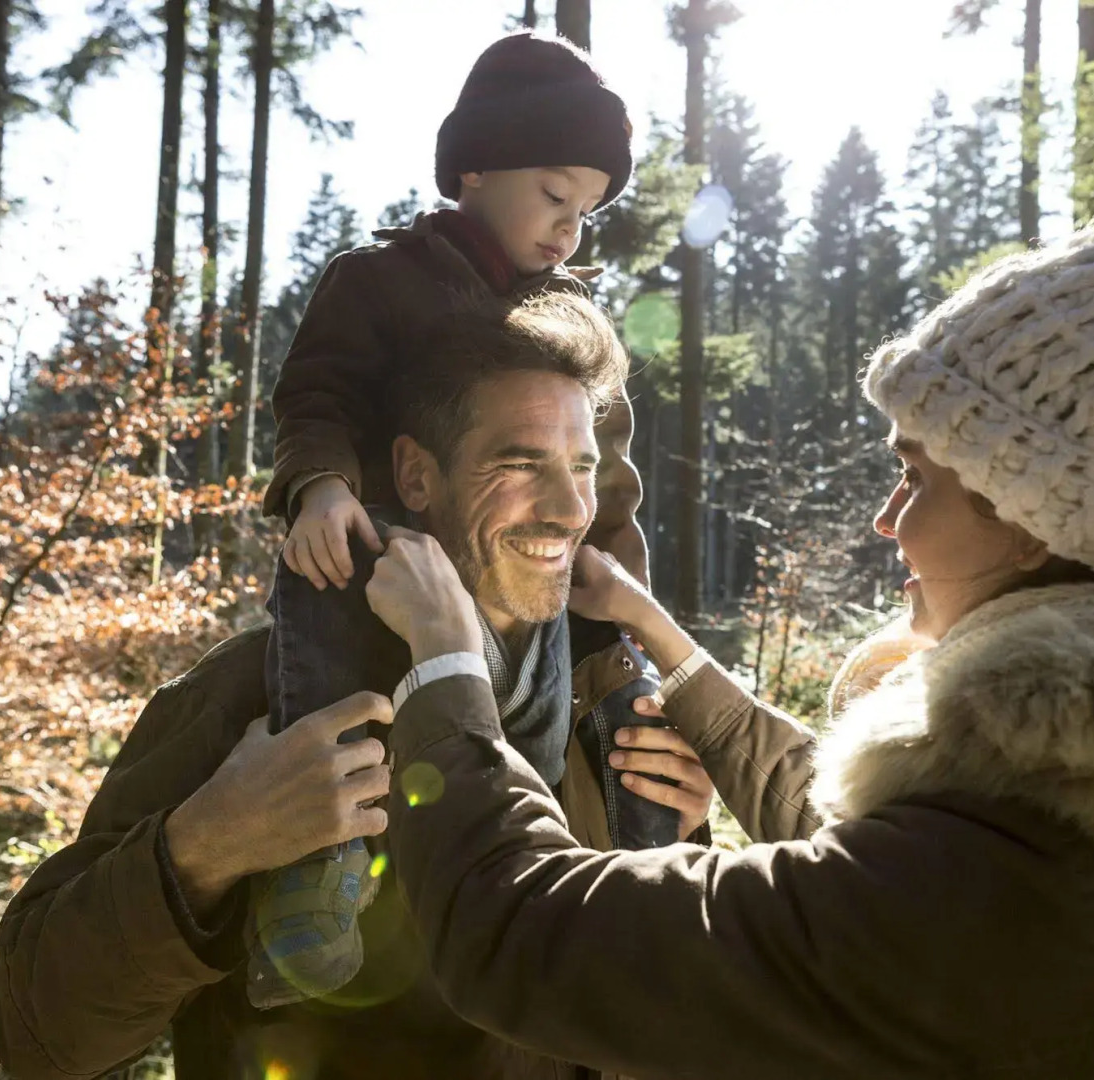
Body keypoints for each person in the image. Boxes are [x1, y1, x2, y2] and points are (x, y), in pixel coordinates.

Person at [367, 139, 1094, 1078]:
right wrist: (663, 639)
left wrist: (446, 666)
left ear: (1034, 522)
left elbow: (527, 933)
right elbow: (877, 842)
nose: (888, 520)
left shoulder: (1012, 892)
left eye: (915, 479)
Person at [0, 293, 714, 1080]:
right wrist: (203, 847)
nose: (570, 507)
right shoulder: (263, 694)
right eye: (518, 463)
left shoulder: (616, 709)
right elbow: (38, 1040)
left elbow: (674, 1007)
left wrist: (682, 851)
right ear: (415, 474)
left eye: (580, 467)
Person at [250, 29, 675, 1001]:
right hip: (389, 544)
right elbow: (317, 395)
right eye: (556, 194)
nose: (571, 227)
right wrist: (320, 486)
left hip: (526, 558)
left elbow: (605, 477)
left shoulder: (572, 322)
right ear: (475, 169)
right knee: (318, 581)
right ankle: (316, 851)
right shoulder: (379, 280)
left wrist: (628, 590)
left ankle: (641, 851)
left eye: (591, 212)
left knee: (625, 669)